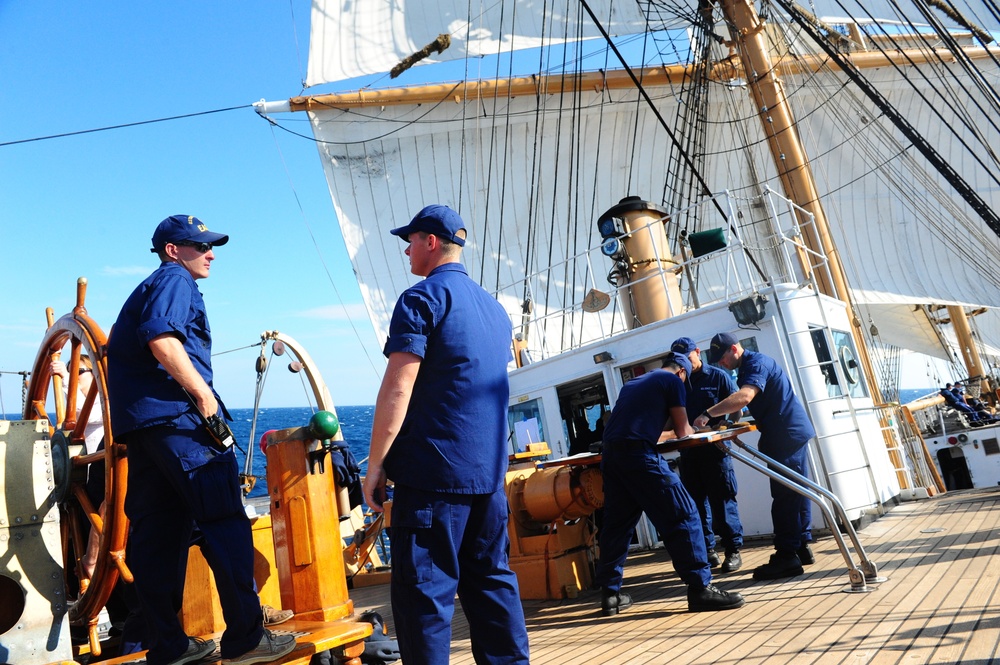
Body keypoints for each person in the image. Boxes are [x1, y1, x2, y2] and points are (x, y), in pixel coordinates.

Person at [107, 215, 295, 665]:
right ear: (174, 250)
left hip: (146, 429)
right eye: (200, 246)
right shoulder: (175, 281)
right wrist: (203, 394)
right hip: (182, 422)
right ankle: (247, 640)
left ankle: (168, 647)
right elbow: (161, 337)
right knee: (225, 521)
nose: (210, 253)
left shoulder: (150, 286)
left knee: (157, 534)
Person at [361, 205, 530, 664]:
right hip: (488, 477)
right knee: (493, 586)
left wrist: (374, 465)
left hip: (434, 480)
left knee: (425, 599)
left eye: (410, 240)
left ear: (431, 241)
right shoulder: (495, 310)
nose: (406, 249)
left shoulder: (421, 299)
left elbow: (399, 386)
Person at [593, 351, 745, 616]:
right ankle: (700, 589)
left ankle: (610, 595)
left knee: (617, 525)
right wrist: (701, 428)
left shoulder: (631, 385)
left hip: (611, 457)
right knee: (685, 513)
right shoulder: (673, 382)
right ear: (682, 372)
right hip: (639, 455)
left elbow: (641, 428)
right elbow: (683, 431)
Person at [694, 332, 815, 581]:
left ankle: (786, 556)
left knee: (785, 494)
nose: (720, 363)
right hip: (787, 432)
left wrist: (708, 414)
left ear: (735, 349)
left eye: (722, 357)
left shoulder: (755, 364)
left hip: (785, 434)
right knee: (796, 490)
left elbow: (745, 397)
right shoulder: (751, 365)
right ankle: (801, 546)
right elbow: (748, 402)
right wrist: (729, 421)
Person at [669, 337, 745, 573]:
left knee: (722, 500)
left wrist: (725, 426)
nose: (686, 364)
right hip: (689, 454)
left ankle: (732, 550)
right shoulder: (678, 382)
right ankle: (708, 551)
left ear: (697, 353)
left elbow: (737, 411)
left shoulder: (718, 376)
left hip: (715, 452)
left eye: (689, 358)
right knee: (695, 505)